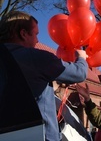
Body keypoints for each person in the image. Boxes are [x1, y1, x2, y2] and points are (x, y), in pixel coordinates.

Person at [0, 11, 88, 141]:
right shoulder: (35, 58)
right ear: (23, 34)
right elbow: (79, 74)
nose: (37, 40)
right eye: (35, 34)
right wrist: (81, 58)